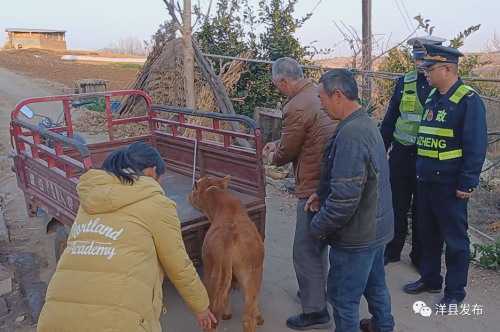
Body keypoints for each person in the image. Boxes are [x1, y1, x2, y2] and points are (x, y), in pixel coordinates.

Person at [37, 142, 217, 332]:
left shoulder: (90, 202)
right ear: (151, 171)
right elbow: (178, 265)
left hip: (55, 318)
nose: (160, 183)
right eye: (160, 177)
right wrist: (201, 307)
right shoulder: (157, 204)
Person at [308, 69, 395, 332]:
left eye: (321, 97)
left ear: (338, 95)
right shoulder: (364, 122)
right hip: (376, 229)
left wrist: (317, 227)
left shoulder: (352, 134)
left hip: (357, 236)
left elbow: (345, 200)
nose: (320, 104)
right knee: (376, 285)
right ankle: (383, 326)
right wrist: (321, 194)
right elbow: (360, 178)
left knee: (344, 300)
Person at [403, 44, 487, 309]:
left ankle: (455, 291)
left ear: (448, 69)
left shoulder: (468, 100)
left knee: (455, 240)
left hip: (451, 185)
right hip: (426, 180)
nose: (425, 72)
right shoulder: (432, 97)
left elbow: (476, 145)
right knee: (427, 234)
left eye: (430, 68)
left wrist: (467, 182)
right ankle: (430, 279)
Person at [262, 57, 336, 330]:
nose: (278, 89)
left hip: (312, 183)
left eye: (276, 84)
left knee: (304, 248)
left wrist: (272, 155)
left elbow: (288, 152)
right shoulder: (317, 93)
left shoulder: (296, 105)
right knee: (319, 244)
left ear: (283, 81)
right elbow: (306, 134)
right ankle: (315, 292)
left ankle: (316, 312)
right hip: (327, 179)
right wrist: (278, 142)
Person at [381, 36, 445, 267]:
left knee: (423, 209)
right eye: (416, 57)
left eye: (424, 58)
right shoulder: (404, 82)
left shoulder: (441, 86)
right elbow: (390, 120)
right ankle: (392, 249)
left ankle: (419, 256)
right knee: (396, 204)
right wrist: (381, 151)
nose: (419, 63)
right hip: (401, 154)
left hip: (427, 157)